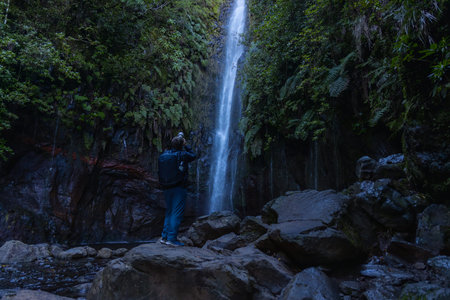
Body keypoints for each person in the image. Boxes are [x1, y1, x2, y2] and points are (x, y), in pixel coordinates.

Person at [158, 132, 196, 246]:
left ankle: (164, 237)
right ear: (181, 145)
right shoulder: (183, 154)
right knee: (176, 213)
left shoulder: (164, 155)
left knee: (169, 212)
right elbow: (193, 155)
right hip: (178, 188)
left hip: (166, 187)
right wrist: (186, 145)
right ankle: (172, 239)